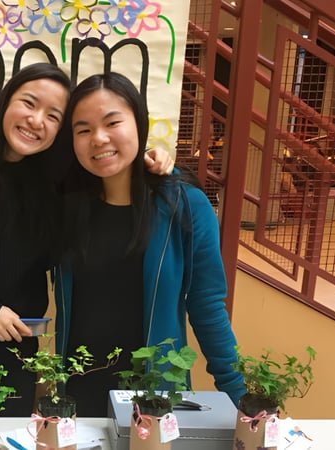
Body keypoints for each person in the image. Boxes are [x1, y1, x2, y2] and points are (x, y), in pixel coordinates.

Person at [0, 63, 175, 417]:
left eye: (53, 116)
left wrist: (149, 158)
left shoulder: (53, 184)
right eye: (29, 103)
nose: (36, 120)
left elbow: (108, 163)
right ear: (5, 101)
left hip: (18, 352)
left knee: (11, 437)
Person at [53, 72, 246, 416]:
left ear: (139, 124)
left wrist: (243, 398)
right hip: (79, 395)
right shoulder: (65, 206)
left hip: (156, 398)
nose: (99, 138)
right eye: (83, 130)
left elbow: (207, 306)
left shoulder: (184, 205)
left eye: (112, 122)